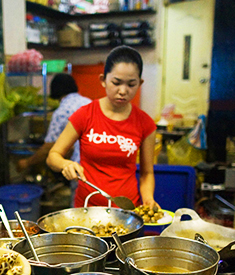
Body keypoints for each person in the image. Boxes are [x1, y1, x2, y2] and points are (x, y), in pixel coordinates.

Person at [46, 46, 158, 208]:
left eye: (131, 84)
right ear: (103, 80)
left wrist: (148, 198)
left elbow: (147, 173)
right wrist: (65, 164)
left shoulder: (145, 123)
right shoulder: (84, 115)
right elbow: (53, 156)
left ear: (139, 83)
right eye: (116, 82)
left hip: (126, 212)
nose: (123, 91)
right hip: (86, 210)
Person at [16, 73, 91, 174]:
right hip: (96, 165)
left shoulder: (62, 112)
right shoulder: (89, 103)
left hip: (80, 168)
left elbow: (49, 147)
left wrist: (26, 162)